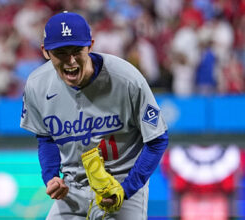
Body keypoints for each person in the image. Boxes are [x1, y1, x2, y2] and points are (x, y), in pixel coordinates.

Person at [20, 11, 168, 219]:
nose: (71, 60)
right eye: (61, 52)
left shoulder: (126, 79)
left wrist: (127, 188)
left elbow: (157, 139)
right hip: (72, 186)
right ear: (46, 52)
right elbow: (46, 138)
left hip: (120, 182)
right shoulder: (37, 85)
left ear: (90, 45)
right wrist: (51, 177)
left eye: (77, 50)